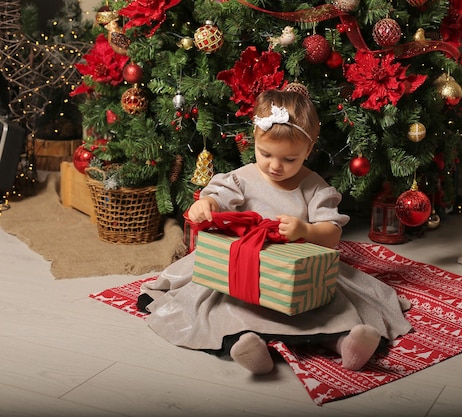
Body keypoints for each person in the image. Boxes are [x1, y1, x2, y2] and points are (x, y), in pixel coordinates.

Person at [140, 89, 412, 375]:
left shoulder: (315, 188)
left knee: (330, 304)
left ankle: (346, 341)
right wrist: (205, 204)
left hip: (297, 271)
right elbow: (217, 200)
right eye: (265, 154)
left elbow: (331, 235)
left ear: (308, 150)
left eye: (290, 159)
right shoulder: (241, 179)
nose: (275, 166)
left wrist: (305, 230)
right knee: (221, 305)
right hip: (244, 267)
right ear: (254, 139)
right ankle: (245, 343)